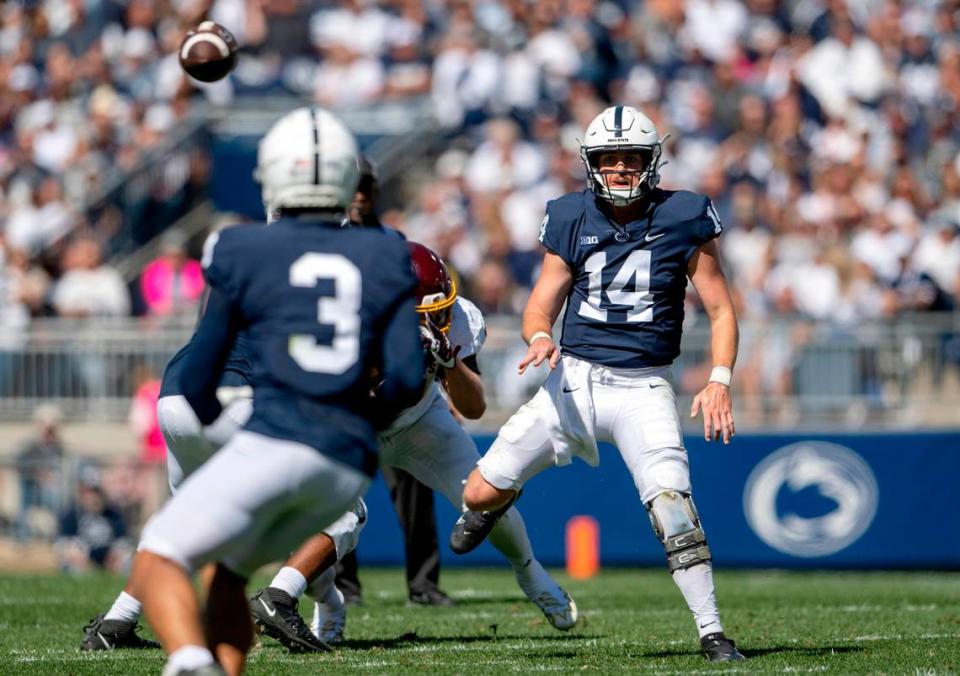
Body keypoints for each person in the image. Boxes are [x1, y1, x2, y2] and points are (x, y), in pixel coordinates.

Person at [135, 106, 425, 676]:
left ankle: (192, 662)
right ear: (349, 181)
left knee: (160, 556)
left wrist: (231, 448)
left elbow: (197, 379)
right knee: (231, 567)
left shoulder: (238, 249)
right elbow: (407, 379)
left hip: (273, 437)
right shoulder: (388, 250)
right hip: (347, 461)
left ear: (270, 175)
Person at [449, 105, 745, 663]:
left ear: (651, 160)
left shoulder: (683, 215)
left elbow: (722, 310)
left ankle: (712, 631)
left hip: (644, 389)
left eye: (630, 156)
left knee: (674, 509)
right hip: (573, 382)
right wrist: (539, 336)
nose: (619, 168)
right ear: (590, 163)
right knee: (477, 493)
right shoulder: (569, 215)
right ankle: (498, 501)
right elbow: (541, 303)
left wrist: (720, 379)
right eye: (608, 158)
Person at [251, 241, 578, 652]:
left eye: (438, 310)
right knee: (337, 522)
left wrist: (448, 360)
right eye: (422, 315)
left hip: (420, 419)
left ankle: (530, 573)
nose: (438, 319)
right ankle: (328, 607)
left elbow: (473, 407)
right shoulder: (348, 324)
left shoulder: (458, 318)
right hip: (352, 426)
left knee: (487, 495)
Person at [334, 155, 453, 608]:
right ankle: (344, 584)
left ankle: (423, 583)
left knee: (413, 487)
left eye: (366, 186)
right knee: (340, 488)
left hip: (394, 380)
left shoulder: (394, 241)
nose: (360, 195)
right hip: (346, 382)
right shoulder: (324, 241)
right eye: (353, 186)